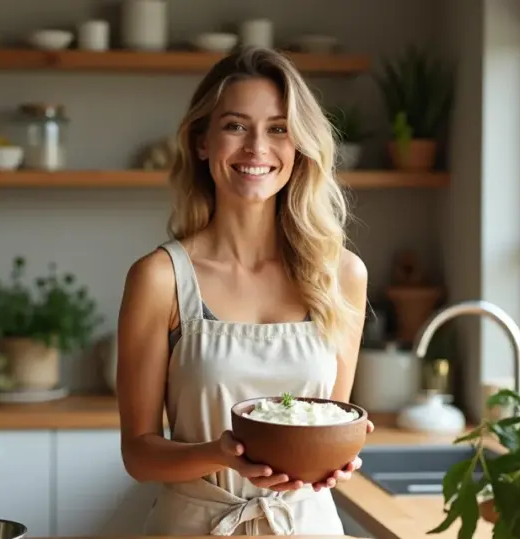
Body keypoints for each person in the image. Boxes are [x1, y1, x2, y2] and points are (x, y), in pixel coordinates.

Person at [115, 45, 374, 536]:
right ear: (201, 142)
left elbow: (330, 425)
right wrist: (221, 456)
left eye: (278, 128)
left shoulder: (340, 276)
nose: (257, 148)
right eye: (236, 126)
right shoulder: (161, 278)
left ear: (300, 146)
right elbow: (139, 454)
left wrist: (335, 457)